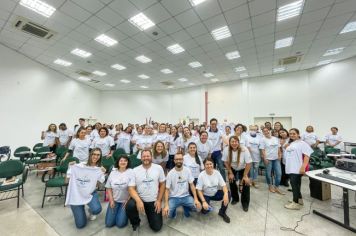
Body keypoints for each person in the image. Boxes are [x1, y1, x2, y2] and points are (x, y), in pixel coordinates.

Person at [65, 148, 106, 229]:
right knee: (80, 225)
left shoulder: (99, 169)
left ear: (100, 157)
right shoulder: (79, 166)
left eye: (98, 155)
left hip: (89, 193)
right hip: (76, 195)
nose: (96, 156)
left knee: (97, 209)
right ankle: (80, 208)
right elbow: (66, 181)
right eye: (94, 154)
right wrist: (69, 168)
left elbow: (98, 185)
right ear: (90, 154)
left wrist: (102, 173)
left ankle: (90, 211)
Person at [126, 150, 165, 232]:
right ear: (141, 158)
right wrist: (138, 201)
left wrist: (159, 200)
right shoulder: (135, 170)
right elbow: (131, 188)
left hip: (153, 200)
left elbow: (162, 185)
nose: (146, 158)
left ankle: (148, 212)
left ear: (151, 157)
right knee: (130, 205)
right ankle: (135, 222)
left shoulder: (158, 168)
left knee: (156, 227)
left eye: (148, 156)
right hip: (140, 198)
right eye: (144, 156)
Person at [162, 153, 201, 218]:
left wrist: (196, 199)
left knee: (199, 208)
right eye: (176, 159)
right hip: (174, 197)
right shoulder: (170, 173)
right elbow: (167, 190)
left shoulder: (187, 170)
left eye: (180, 159)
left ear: (183, 160)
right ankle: (173, 210)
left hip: (186, 196)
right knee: (166, 215)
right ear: (174, 161)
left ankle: (186, 207)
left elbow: (192, 185)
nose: (178, 161)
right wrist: (166, 205)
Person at [284, 128, 313, 210]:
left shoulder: (302, 143)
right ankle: (299, 200)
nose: (292, 135)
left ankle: (295, 203)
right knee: (296, 185)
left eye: (294, 133)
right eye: (290, 134)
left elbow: (307, 156)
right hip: (290, 167)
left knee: (294, 185)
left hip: (297, 168)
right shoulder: (292, 143)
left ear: (298, 134)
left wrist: (303, 167)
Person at [196, 158, 231, 223]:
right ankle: (205, 204)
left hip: (215, 193)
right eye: (207, 164)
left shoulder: (217, 173)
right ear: (204, 165)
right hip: (205, 195)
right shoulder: (201, 175)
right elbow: (199, 190)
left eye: (210, 164)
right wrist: (203, 201)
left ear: (213, 164)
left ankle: (222, 212)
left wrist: (225, 194)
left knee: (228, 194)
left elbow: (224, 185)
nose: (209, 166)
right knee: (205, 211)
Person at [223, 136, 252, 212]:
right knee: (231, 181)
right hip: (232, 167)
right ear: (229, 143)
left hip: (244, 168)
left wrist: (245, 176)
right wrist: (230, 173)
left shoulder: (244, 149)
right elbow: (225, 162)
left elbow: (249, 163)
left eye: (236, 141)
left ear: (238, 142)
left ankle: (245, 203)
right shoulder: (226, 150)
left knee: (246, 183)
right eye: (232, 141)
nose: (234, 143)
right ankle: (235, 198)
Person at [105, 155, 134, 228]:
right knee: (109, 224)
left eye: (125, 161)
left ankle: (126, 214)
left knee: (120, 224)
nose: (123, 162)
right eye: (121, 160)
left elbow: (133, 188)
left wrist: (128, 201)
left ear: (128, 162)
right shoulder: (113, 172)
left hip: (125, 201)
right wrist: (111, 200)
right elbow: (108, 187)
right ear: (118, 162)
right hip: (115, 200)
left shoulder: (131, 172)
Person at [260, 127, 284, 195]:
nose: (266, 132)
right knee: (268, 174)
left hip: (276, 159)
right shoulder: (262, 140)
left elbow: (278, 147)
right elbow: (262, 149)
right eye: (264, 131)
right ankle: (270, 186)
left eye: (267, 130)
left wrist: (279, 155)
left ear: (269, 131)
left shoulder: (276, 139)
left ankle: (276, 187)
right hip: (268, 159)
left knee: (279, 174)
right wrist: (265, 158)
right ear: (263, 133)